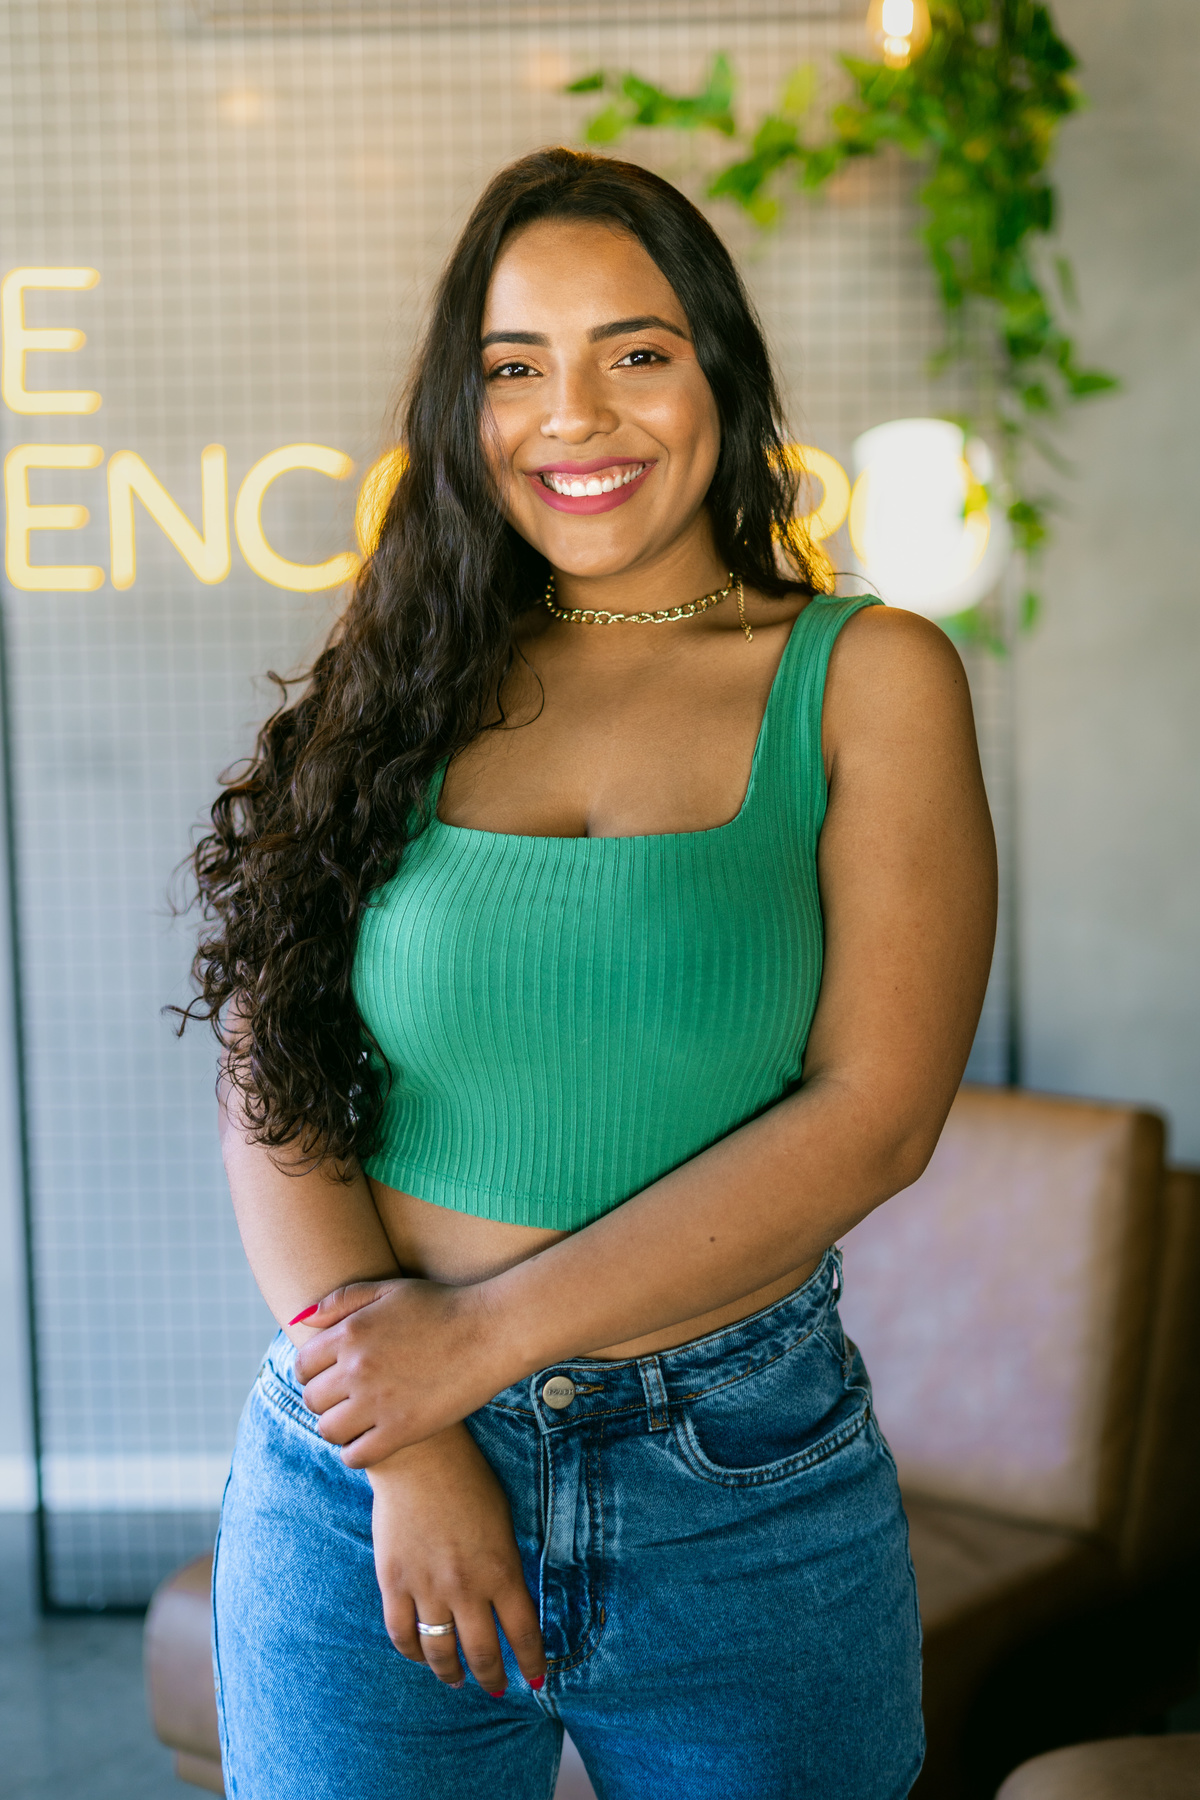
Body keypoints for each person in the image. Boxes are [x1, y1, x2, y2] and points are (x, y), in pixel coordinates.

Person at [186, 146, 996, 1800]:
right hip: (357, 1478)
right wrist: (410, 1437)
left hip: (740, 1481)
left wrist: (471, 1348)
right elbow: (275, 1082)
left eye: (635, 350)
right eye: (513, 366)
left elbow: (877, 1117)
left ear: (722, 372)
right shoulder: (400, 671)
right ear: (459, 409)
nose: (575, 414)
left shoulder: (865, 677)